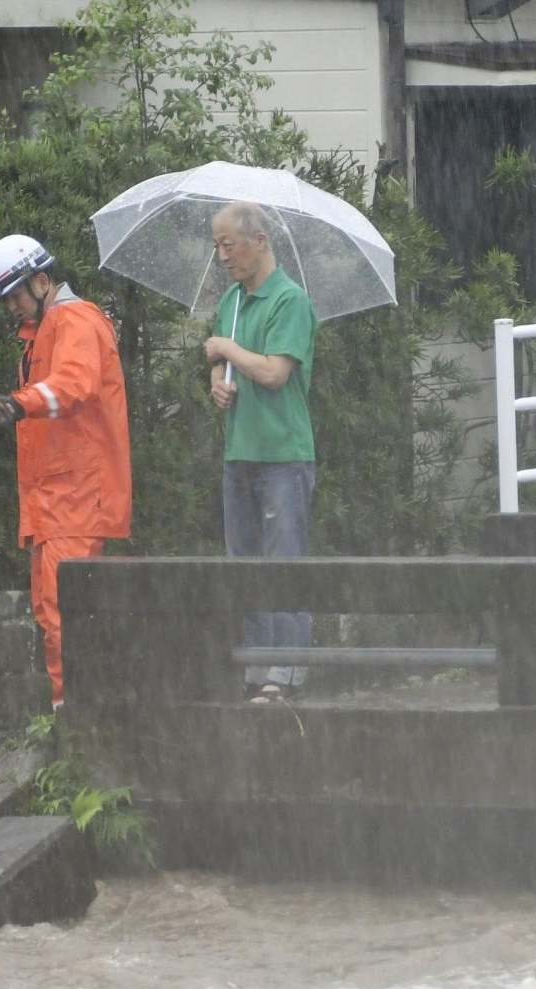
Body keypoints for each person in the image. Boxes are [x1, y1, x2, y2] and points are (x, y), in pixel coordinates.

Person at [0, 235, 131, 709]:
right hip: (60, 500)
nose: (11, 309)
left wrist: (15, 404)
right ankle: (74, 718)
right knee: (56, 613)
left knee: (65, 614)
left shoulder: (73, 319)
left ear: (41, 282)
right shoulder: (52, 327)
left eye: (15, 297)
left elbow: (75, 385)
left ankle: (82, 723)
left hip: (76, 496)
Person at [202, 201, 319, 705]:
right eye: (217, 246)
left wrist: (226, 353)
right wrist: (216, 382)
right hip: (240, 450)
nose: (222, 256)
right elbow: (230, 371)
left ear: (260, 241)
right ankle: (255, 670)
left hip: (283, 453)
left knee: (283, 562)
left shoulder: (289, 300)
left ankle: (285, 673)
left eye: (229, 245)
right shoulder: (230, 301)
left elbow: (274, 372)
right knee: (244, 562)